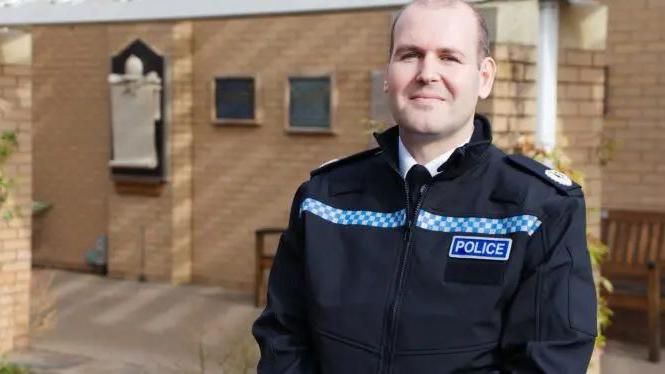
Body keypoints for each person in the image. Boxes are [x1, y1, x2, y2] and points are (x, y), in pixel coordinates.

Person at [252, 0, 597, 372]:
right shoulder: (323, 200)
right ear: (388, 73)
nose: (427, 73)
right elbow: (283, 339)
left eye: (449, 57)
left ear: (484, 78)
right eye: (410, 55)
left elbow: (548, 361)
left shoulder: (539, 209)